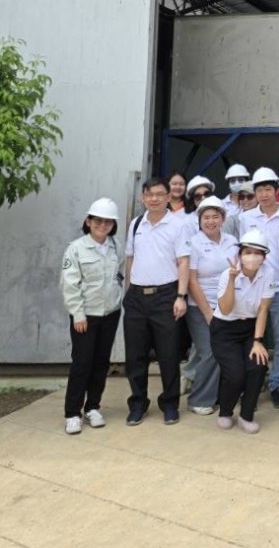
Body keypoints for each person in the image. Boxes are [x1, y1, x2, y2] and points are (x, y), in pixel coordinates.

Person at [123, 177, 191, 425]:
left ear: (168, 197)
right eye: (149, 194)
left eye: (159, 194)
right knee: (135, 356)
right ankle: (138, 403)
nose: (154, 199)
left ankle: (170, 403)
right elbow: (130, 259)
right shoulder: (136, 224)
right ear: (143, 198)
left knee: (168, 354)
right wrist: (128, 292)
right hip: (136, 297)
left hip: (166, 296)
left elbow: (184, 262)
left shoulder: (178, 225)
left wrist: (181, 296)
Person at [60, 198, 124, 435]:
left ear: (113, 225)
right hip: (85, 316)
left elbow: (119, 275)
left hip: (110, 314)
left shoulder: (116, 246)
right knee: (82, 363)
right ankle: (72, 413)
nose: (102, 225)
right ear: (88, 221)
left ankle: (93, 407)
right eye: (98, 220)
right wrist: (78, 314)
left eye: (108, 221)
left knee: (101, 362)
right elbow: (70, 284)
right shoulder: (76, 248)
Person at [211, 229, 275, 434]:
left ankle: (246, 416)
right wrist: (232, 280)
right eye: (248, 252)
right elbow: (225, 308)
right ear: (239, 254)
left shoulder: (268, 273)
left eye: (258, 253)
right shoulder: (227, 274)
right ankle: (225, 412)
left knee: (258, 366)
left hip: (251, 328)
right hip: (225, 329)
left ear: (264, 257)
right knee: (235, 374)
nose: (252, 257)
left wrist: (258, 341)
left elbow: (263, 309)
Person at [239, 167, 279, 409]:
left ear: (277, 190)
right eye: (259, 190)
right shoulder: (246, 218)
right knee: (253, 338)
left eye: (268, 189)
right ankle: (254, 382)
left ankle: (277, 383)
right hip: (254, 287)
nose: (264, 194)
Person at [185, 195, 238, 416]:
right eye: (206, 217)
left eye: (215, 217)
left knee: (225, 351)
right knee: (209, 351)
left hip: (228, 305)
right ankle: (199, 399)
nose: (210, 221)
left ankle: (221, 395)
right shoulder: (193, 243)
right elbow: (191, 280)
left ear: (223, 218)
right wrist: (208, 312)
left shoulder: (232, 242)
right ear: (199, 220)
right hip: (200, 306)